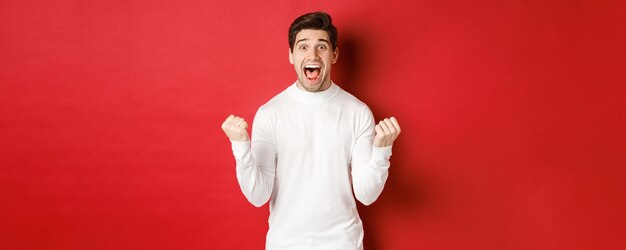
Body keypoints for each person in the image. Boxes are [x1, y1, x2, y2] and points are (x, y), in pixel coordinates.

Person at [221, 11, 401, 250]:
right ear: (291, 55)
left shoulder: (358, 112)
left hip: (343, 244)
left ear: (334, 55)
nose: (312, 54)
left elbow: (366, 194)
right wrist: (241, 147)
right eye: (303, 47)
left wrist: (381, 151)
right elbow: (258, 196)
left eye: (322, 47)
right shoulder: (270, 114)